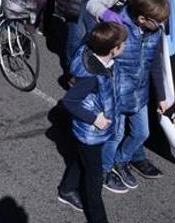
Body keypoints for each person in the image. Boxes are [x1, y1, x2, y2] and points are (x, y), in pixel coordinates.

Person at [99, 0, 170, 193]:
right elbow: (96, 59)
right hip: (117, 94)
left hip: (140, 93)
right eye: (158, 22)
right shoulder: (117, 29)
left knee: (141, 133)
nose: (161, 26)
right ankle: (105, 170)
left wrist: (162, 96)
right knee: (115, 134)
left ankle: (122, 161)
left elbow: (155, 64)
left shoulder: (153, 32)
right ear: (141, 18)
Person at [57, 22, 128, 223]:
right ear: (113, 50)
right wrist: (94, 118)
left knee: (83, 161)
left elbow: (90, 33)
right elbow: (69, 101)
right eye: (122, 44)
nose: (125, 46)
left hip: (90, 132)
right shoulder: (92, 76)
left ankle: (67, 190)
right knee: (94, 179)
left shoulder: (91, 50)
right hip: (90, 132)